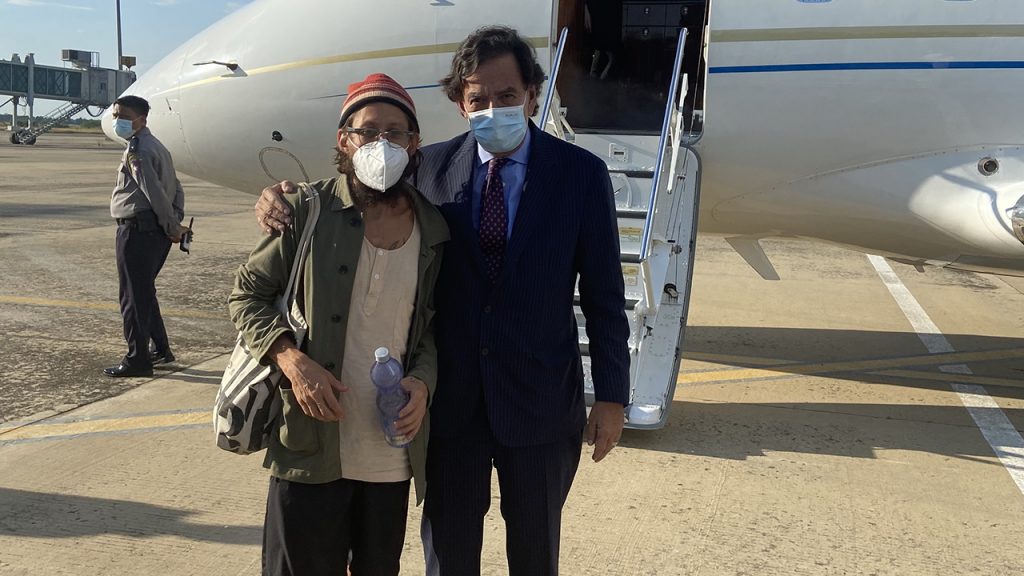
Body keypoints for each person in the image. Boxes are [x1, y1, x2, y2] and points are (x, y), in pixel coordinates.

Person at [256, 27, 630, 576]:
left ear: (532, 95)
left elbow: (604, 295)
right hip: (449, 406)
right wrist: (279, 197)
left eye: (507, 95)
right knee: (449, 555)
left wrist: (612, 397)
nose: (493, 109)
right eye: (478, 99)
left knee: (536, 551)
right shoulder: (426, 168)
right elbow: (358, 185)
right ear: (460, 103)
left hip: (542, 402)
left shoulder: (580, 175)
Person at [230, 73, 449, 576]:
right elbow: (247, 295)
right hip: (310, 444)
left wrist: (421, 383)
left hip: (389, 451)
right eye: (367, 131)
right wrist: (291, 360)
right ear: (343, 140)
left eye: (396, 132)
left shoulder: (434, 231)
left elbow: (431, 330)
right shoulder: (305, 210)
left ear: (414, 144)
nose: (382, 144)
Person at [104, 95, 187, 377]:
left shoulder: (138, 150)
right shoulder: (157, 146)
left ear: (141, 120)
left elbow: (153, 191)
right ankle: (160, 349)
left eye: (123, 117)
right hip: (153, 231)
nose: (117, 121)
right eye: (115, 115)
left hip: (137, 230)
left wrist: (172, 226)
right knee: (144, 292)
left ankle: (137, 360)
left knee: (132, 298)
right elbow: (176, 187)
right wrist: (174, 221)